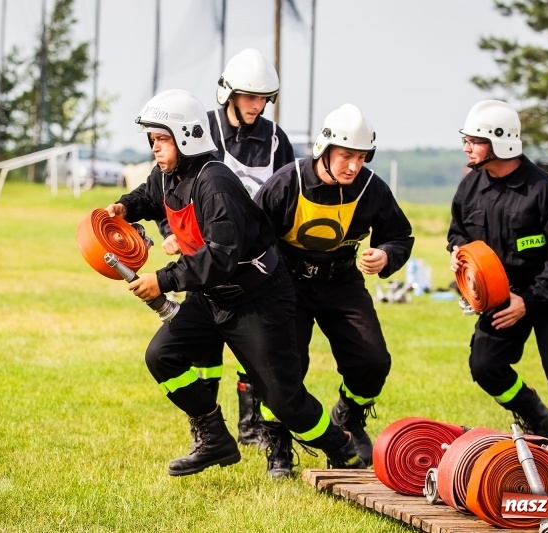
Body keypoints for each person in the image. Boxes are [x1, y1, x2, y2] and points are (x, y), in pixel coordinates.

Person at [105, 89, 365, 478]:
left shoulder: (215, 183)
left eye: (161, 139)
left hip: (257, 298)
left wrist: (163, 280)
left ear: (187, 136)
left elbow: (221, 258)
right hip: (212, 296)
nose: (155, 148)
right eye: (153, 140)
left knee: (284, 400)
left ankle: (341, 448)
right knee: (162, 356)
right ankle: (215, 440)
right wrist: (126, 207)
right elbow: (150, 194)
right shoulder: (168, 175)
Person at [447, 99, 548, 473]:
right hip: (500, 298)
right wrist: (457, 252)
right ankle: (535, 416)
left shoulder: (542, 190)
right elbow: (458, 232)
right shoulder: (470, 187)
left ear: (500, 142)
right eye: (467, 140)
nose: (466, 147)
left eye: (474, 140)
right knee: (485, 364)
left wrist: (529, 301)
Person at [254, 104, 415, 471]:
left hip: (341, 282)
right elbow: (251, 235)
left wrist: (386, 255)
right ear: (324, 151)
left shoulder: (372, 188)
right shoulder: (286, 181)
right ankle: (278, 441)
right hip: (286, 284)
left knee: (373, 361)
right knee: (285, 367)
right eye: (346, 156)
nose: (354, 166)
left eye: (361, 157)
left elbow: (400, 235)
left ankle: (349, 416)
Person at [160, 48, 296, 462]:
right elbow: (170, 185)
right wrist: (170, 231)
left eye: (263, 98)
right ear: (229, 94)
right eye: (249, 96)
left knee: (253, 348)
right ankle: (210, 429)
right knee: (204, 351)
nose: (256, 105)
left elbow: (288, 194)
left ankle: (251, 425)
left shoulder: (277, 140)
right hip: (206, 257)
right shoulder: (204, 133)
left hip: (254, 261)